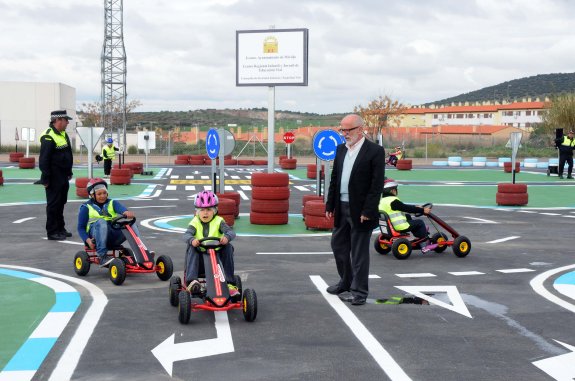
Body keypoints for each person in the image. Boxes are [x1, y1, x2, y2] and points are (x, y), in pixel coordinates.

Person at [325, 114, 386, 306]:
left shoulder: (375, 151)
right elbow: (335, 178)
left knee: (358, 253)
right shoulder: (340, 149)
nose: (343, 134)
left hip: (361, 210)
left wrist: (368, 211)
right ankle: (345, 282)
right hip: (341, 206)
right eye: (341, 130)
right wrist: (330, 204)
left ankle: (359, 291)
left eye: (347, 130)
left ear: (360, 129)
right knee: (338, 246)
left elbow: (376, 185)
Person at [182, 190, 239, 297]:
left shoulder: (219, 221)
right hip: (200, 261)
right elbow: (186, 235)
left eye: (209, 210)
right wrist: (192, 240)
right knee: (192, 247)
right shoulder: (195, 222)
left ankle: (230, 283)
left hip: (218, 260)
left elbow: (231, 232)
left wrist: (226, 238)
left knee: (228, 247)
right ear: (197, 212)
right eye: (202, 210)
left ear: (215, 210)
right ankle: (192, 282)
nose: (205, 213)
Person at [77, 178, 137, 267]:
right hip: (95, 236)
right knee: (102, 222)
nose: (103, 196)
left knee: (131, 225)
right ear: (92, 195)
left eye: (104, 193)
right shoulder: (86, 207)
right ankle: (102, 256)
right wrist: (88, 240)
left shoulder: (112, 203)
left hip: (112, 233)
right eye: (99, 194)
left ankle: (140, 253)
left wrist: (125, 212)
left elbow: (121, 209)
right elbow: (80, 227)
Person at [39, 110, 74, 240]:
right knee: (53, 204)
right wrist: (46, 179)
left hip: (63, 175)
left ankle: (60, 228)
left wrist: (69, 171)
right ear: (58, 120)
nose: (68, 122)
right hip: (53, 176)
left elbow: (68, 155)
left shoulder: (63, 134)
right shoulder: (48, 136)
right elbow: (44, 160)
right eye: (66, 120)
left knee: (61, 203)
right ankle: (52, 231)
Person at [378, 179, 438, 253]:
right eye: (396, 189)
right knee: (420, 222)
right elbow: (406, 208)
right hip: (398, 226)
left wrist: (416, 207)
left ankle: (421, 232)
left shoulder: (383, 201)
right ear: (393, 191)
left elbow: (403, 206)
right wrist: (422, 210)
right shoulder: (393, 201)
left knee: (408, 217)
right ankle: (424, 244)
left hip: (388, 226)